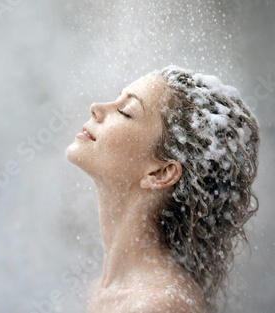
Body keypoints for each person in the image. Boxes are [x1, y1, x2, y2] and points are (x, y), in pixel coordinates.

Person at [65, 65, 260, 313]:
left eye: (125, 112)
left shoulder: (162, 304)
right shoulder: (96, 291)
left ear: (160, 173)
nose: (97, 107)